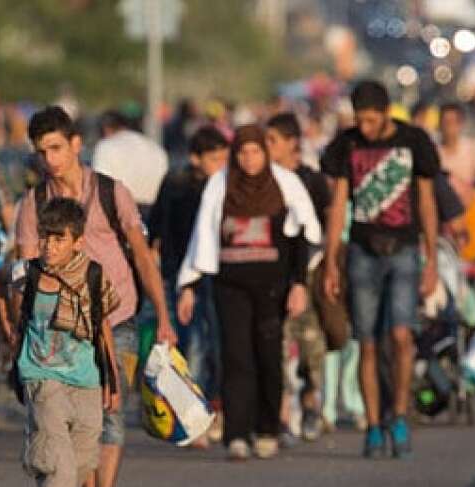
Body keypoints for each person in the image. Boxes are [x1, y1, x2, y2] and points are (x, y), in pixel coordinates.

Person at [16, 106, 177, 487]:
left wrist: (163, 315)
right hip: (60, 329)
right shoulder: (33, 205)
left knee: (110, 410)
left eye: (56, 147)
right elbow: (22, 273)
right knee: (66, 421)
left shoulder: (111, 192)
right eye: (41, 151)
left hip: (118, 313)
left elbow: (142, 255)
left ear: (75, 144)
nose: (50, 158)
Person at [177, 125, 319, 461]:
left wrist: (299, 285)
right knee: (236, 356)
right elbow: (204, 237)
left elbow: (303, 236)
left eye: (256, 151)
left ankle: (268, 428)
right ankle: (237, 434)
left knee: (268, 355)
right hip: (230, 286)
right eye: (243, 152)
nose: (250, 159)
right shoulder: (220, 184)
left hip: (274, 287)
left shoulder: (284, 184)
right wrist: (189, 287)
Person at [321, 80, 440, 459]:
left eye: (371, 120)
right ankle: (373, 425)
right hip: (362, 251)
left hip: (404, 250)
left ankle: (400, 415)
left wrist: (431, 259)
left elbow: (426, 201)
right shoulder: (347, 144)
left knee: (402, 337)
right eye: (360, 120)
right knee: (367, 343)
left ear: (386, 113)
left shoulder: (413, 142)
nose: (365, 127)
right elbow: (338, 205)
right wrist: (330, 261)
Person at [11, 197, 120, 487]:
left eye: (59, 239)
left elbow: (103, 326)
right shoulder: (26, 274)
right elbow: (0, 284)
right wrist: (9, 332)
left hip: (86, 377)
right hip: (42, 376)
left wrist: (112, 380)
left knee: (82, 459)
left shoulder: (93, 275)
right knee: (55, 455)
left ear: (77, 241)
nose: (49, 247)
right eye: (45, 238)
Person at [148, 126, 229, 432]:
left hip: (215, 273)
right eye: (214, 158)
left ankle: (214, 405)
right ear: (196, 158)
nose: (220, 165)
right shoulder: (176, 183)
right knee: (191, 344)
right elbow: (157, 223)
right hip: (179, 272)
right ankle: (191, 414)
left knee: (217, 344)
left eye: (224, 158)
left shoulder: (224, 185)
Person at [265, 112, 331, 443]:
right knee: (275, 347)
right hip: (273, 277)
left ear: (292, 143)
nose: (266, 147)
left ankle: (310, 404)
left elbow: (330, 222)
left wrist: (330, 264)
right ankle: (280, 416)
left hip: (310, 274)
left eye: (272, 141)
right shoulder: (263, 180)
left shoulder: (312, 180)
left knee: (310, 349)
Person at [92, 110, 170, 220]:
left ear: (106, 129)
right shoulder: (156, 148)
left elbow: (101, 189)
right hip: (154, 215)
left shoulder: (106, 146)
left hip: (121, 216)